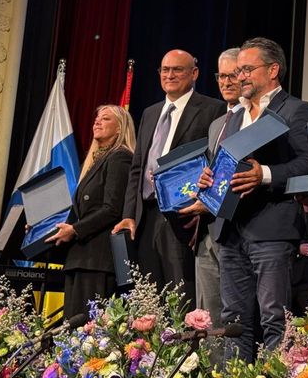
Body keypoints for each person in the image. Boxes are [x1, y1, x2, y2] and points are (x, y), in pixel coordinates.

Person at [197, 37, 308, 361]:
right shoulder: (233, 117)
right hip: (230, 231)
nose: (240, 77)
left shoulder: (295, 109)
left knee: (273, 319)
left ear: (273, 69)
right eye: (238, 71)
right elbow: (223, 163)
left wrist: (264, 174)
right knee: (235, 321)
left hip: (271, 231)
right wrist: (209, 178)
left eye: (247, 69)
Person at [112, 49, 223, 305]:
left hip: (182, 215)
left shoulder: (212, 109)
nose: (169, 75)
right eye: (165, 70)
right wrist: (129, 213)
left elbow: (215, 164)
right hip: (146, 214)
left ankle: (182, 345)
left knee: (180, 292)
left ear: (194, 74)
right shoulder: (151, 112)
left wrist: (203, 206)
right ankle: (151, 345)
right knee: (148, 295)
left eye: (177, 70)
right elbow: (137, 168)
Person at [178, 47, 241, 364]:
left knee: (234, 314)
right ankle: (212, 368)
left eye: (233, 75)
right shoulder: (217, 124)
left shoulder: (251, 120)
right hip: (206, 232)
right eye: (222, 75)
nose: (226, 82)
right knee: (207, 315)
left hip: (235, 230)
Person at [47, 105, 135, 317]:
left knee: (90, 335)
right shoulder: (95, 161)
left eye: (105, 119)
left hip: (97, 260)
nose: (97, 122)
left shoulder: (120, 157)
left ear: (119, 129)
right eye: (96, 118)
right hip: (81, 258)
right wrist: (43, 229)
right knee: (74, 334)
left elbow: (112, 209)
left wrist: (75, 230)